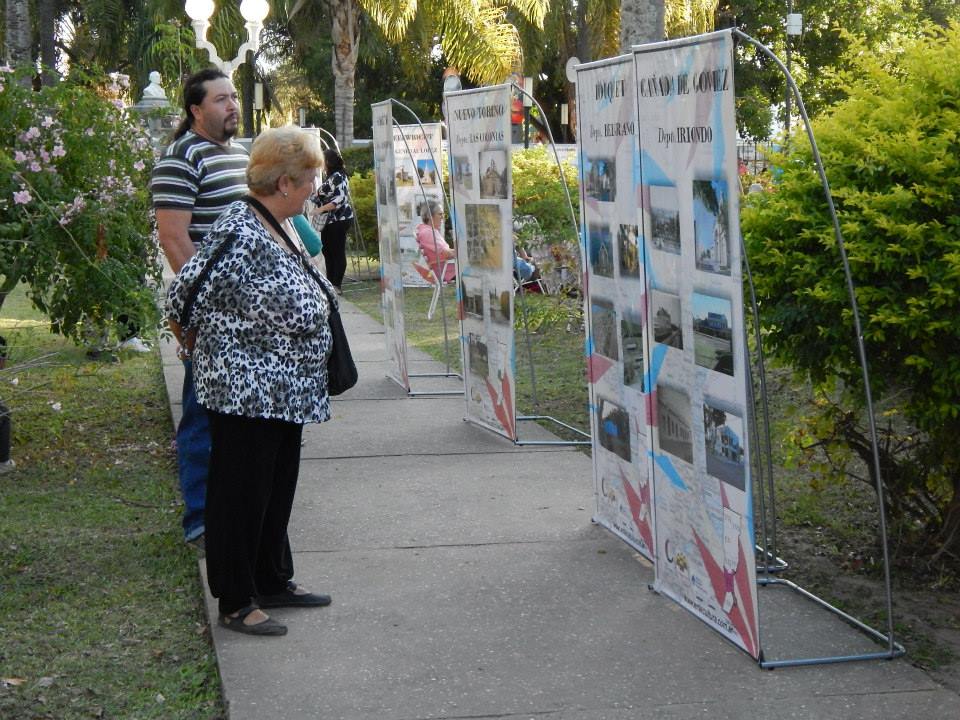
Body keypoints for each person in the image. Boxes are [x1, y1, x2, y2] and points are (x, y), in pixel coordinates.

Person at [166, 126, 335, 636]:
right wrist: (199, 349)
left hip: (284, 392)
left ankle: (270, 578)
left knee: (275, 488)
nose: (314, 189)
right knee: (240, 493)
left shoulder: (279, 223)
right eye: (309, 180)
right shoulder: (239, 230)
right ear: (284, 182)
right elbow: (181, 299)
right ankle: (236, 598)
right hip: (246, 392)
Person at [150, 68, 249, 549]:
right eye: (221, 99)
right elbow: (174, 239)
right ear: (195, 109)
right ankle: (200, 515)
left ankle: (234, 505)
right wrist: (203, 304)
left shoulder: (240, 154)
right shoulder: (180, 158)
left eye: (234, 97)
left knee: (243, 412)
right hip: (211, 311)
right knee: (202, 411)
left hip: (250, 308)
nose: (232, 105)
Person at [312, 148, 354, 294]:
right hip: (329, 221)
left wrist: (320, 209)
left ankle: (336, 284)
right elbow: (320, 194)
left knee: (337, 252)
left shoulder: (338, 176)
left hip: (339, 219)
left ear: (328, 161)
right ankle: (330, 283)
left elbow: (340, 199)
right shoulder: (331, 176)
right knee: (327, 251)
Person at [415, 200, 456, 283]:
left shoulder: (424, 230)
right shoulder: (429, 233)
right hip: (445, 271)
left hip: (442, 269)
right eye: (440, 214)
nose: (443, 217)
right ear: (430, 216)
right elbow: (448, 254)